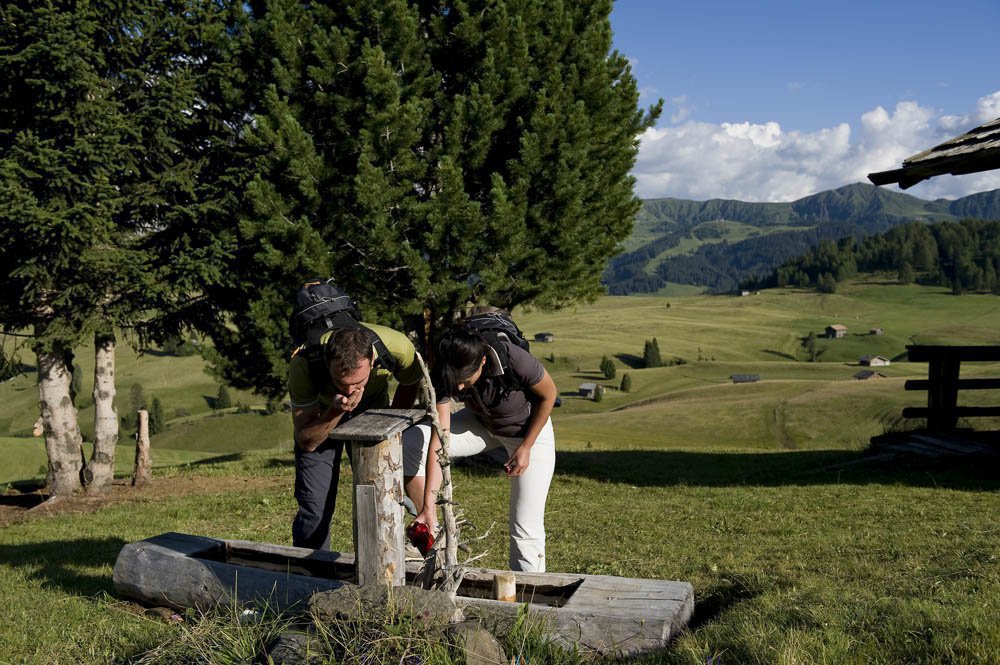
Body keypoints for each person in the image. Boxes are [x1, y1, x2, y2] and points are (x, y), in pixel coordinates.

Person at [403, 327, 558, 572]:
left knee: (525, 525)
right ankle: (431, 524)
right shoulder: (444, 372)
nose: (461, 389)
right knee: (411, 441)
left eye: (466, 380)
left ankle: (529, 597)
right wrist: (428, 506)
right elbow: (439, 440)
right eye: (457, 382)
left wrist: (526, 446)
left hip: (528, 432)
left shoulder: (514, 360)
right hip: (482, 424)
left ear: (483, 361)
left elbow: (549, 395)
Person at [287, 324, 422, 550]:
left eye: (358, 382)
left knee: (380, 494)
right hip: (322, 415)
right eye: (341, 382)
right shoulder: (304, 363)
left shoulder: (397, 347)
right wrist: (336, 410)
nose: (350, 391)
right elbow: (306, 441)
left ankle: (382, 564)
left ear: (372, 361)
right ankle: (311, 577)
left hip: (372, 410)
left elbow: (411, 380)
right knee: (314, 507)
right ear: (327, 364)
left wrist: (391, 422)